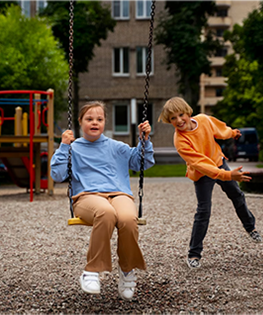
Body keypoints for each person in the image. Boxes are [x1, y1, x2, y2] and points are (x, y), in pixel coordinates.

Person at [51, 101, 155, 299]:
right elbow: (57, 174)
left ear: (105, 122)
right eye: (89, 119)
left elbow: (142, 163)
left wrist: (144, 140)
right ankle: (91, 271)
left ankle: (127, 271)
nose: (94, 122)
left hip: (118, 194)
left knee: (127, 218)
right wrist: (63, 146)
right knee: (106, 213)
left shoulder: (117, 147)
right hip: (87, 197)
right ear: (80, 122)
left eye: (99, 119)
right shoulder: (73, 148)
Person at [158, 97, 262, 269]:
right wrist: (227, 175)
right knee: (203, 211)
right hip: (201, 174)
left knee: (237, 194)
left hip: (218, 161)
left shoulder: (204, 120)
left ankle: (250, 227)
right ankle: (194, 254)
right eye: (173, 119)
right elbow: (200, 164)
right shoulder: (180, 140)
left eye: (181, 115)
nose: (178, 121)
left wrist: (232, 133)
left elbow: (220, 130)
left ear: (188, 112)